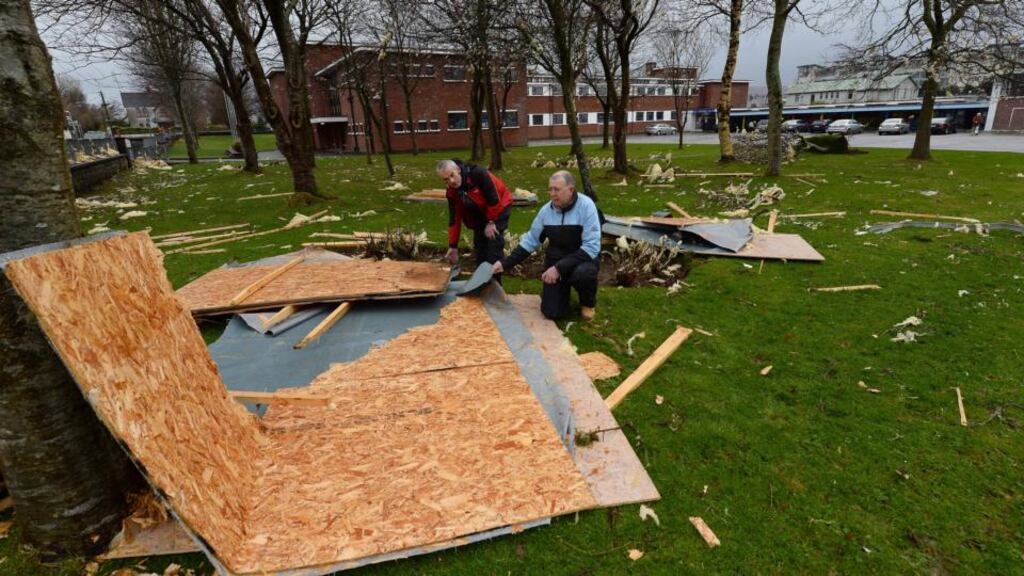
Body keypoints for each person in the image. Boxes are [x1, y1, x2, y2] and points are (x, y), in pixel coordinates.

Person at [492, 171, 601, 321]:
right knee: (552, 313)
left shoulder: (587, 206)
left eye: (557, 189)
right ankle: (560, 293)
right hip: (556, 260)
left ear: (571, 190)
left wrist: (558, 268)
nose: (552, 193)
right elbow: (531, 241)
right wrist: (505, 264)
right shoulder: (545, 211)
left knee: (584, 274)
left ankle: (587, 303)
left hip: (582, 260)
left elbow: (591, 248)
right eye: (550, 189)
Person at [437, 159, 513, 271]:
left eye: (452, 175)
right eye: (446, 179)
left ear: (458, 169)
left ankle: (495, 283)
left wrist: (491, 222)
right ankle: (482, 283)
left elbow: (494, 198)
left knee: (493, 246)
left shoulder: (478, 174)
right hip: (479, 213)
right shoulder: (451, 192)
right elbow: (454, 219)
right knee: (480, 248)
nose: (451, 181)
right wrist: (453, 246)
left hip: (500, 206)